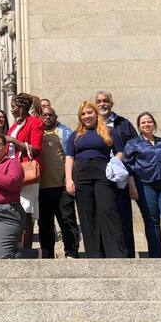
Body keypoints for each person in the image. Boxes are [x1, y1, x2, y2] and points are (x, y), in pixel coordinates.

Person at [65, 101, 125, 258]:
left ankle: (115, 253)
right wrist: (68, 179)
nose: (86, 116)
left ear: (96, 113)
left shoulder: (109, 131)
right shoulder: (75, 135)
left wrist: (114, 163)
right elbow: (70, 157)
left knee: (108, 210)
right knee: (87, 215)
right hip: (82, 175)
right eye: (83, 114)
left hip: (103, 174)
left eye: (89, 113)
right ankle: (94, 254)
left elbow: (120, 152)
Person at [123, 112, 161, 258]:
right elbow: (128, 167)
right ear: (139, 126)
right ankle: (156, 257)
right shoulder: (133, 144)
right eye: (143, 123)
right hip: (144, 185)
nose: (146, 124)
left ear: (154, 124)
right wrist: (132, 187)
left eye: (149, 122)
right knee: (152, 221)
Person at [96, 90, 137, 257]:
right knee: (103, 217)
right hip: (99, 177)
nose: (102, 104)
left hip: (121, 177)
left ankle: (127, 255)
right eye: (98, 101)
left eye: (105, 101)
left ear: (111, 103)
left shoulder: (124, 124)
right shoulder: (89, 125)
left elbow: (135, 149)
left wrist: (131, 179)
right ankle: (107, 255)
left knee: (123, 217)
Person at [39, 106, 80, 258]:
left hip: (62, 186)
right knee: (45, 225)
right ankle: (47, 255)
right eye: (44, 115)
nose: (47, 117)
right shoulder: (36, 134)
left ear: (56, 117)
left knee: (67, 221)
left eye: (50, 115)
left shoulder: (65, 133)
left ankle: (72, 253)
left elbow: (72, 157)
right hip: (42, 188)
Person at [6, 93, 44, 250]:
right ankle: (15, 247)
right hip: (12, 173)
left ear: (22, 107)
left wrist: (13, 141)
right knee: (14, 211)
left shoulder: (35, 123)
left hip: (26, 172)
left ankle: (26, 250)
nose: (12, 110)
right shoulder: (13, 126)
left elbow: (35, 150)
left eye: (14, 107)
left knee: (25, 211)